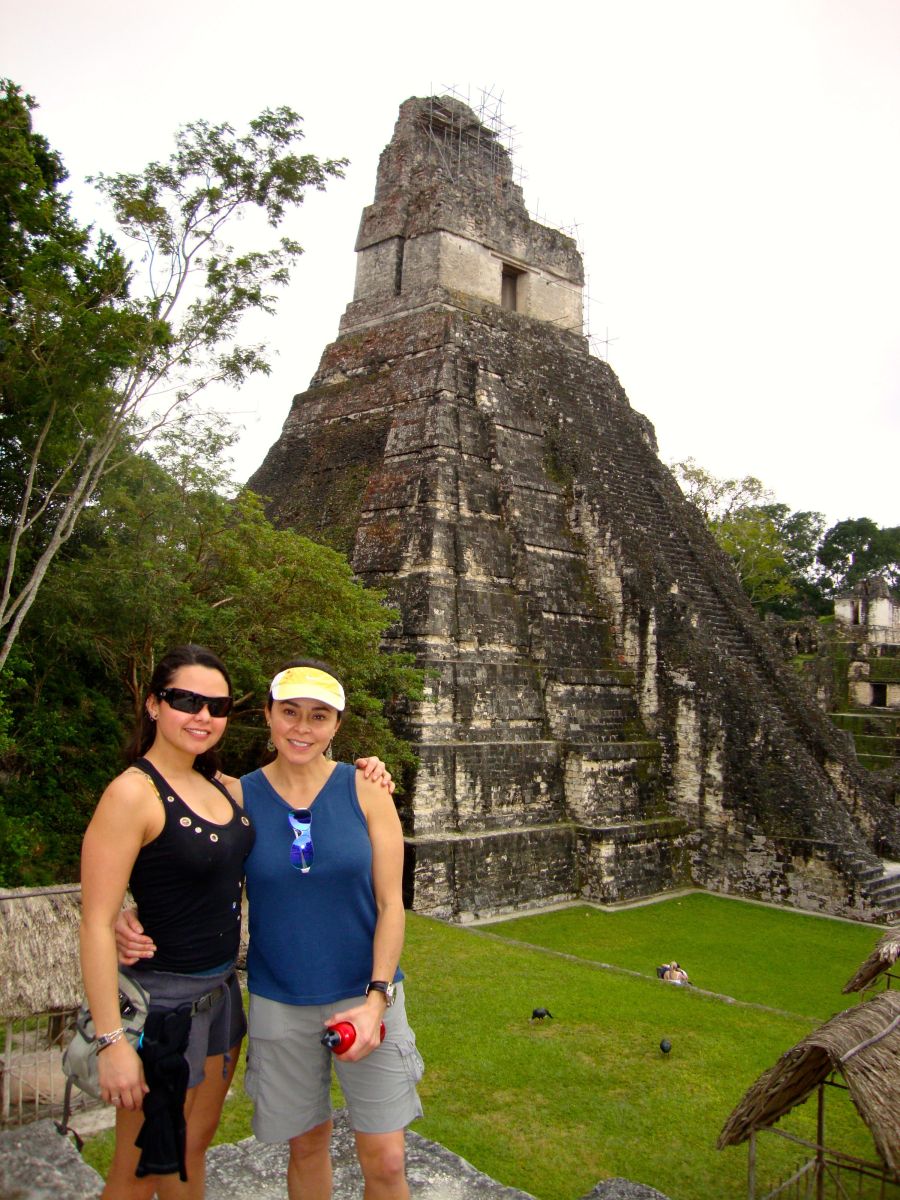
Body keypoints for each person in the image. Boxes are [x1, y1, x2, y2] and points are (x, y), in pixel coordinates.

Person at [82, 645, 392, 1200]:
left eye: (217, 705)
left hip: (221, 997)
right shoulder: (138, 791)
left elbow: (200, 875)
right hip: (165, 1001)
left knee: (186, 1154)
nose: (202, 715)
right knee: (139, 1168)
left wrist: (372, 769)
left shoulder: (219, 789)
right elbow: (95, 919)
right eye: (185, 700)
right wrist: (110, 1039)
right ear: (154, 704)